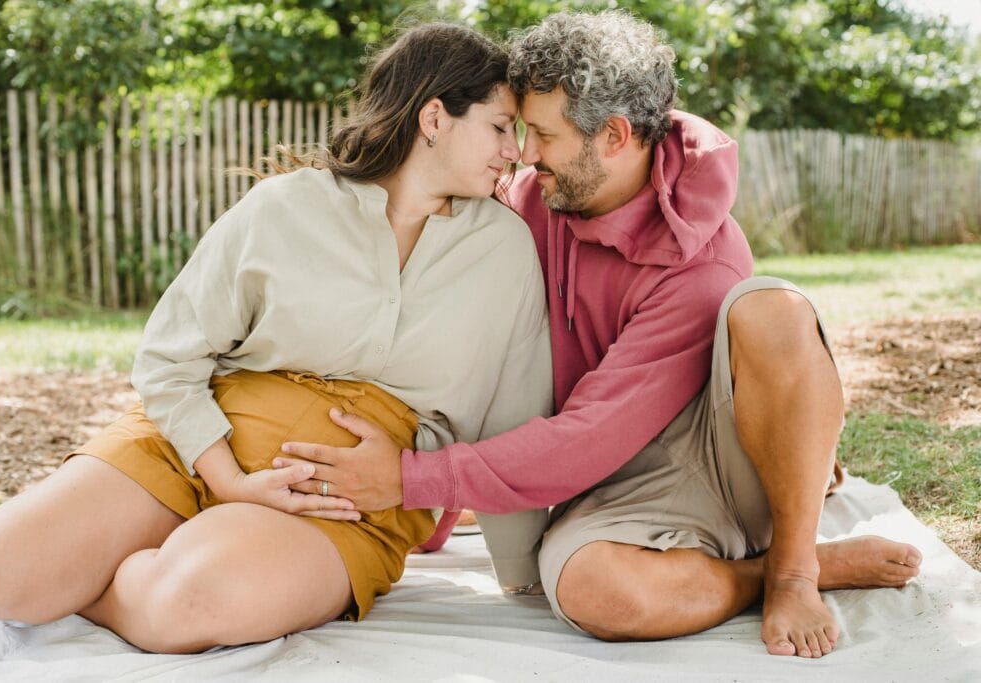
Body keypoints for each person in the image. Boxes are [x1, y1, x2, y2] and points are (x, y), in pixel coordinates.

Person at [279, 11, 924, 659]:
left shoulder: (699, 255)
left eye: (545, 136)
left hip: (704, 457)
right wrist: (433, 506)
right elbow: (478, 342)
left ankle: (792, 567)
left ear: (614, 136)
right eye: (523, 131)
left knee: (774, 309)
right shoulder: (535, 202)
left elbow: (591, 435)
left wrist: (412, 479)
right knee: (597, 593)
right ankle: (768, 569)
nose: (525, 154)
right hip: (606, 478)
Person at [0, 23, 552, 653]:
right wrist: (227, 477)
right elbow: (168, 357)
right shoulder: (283, 208)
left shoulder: (504, 251)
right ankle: (124, 548)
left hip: (342, 496)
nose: (514, 151)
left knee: (188, 604)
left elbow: (514, 415)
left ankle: (109, 573)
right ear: (434, 117)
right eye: (498, 126)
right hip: (198, 443)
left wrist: (520, 575)